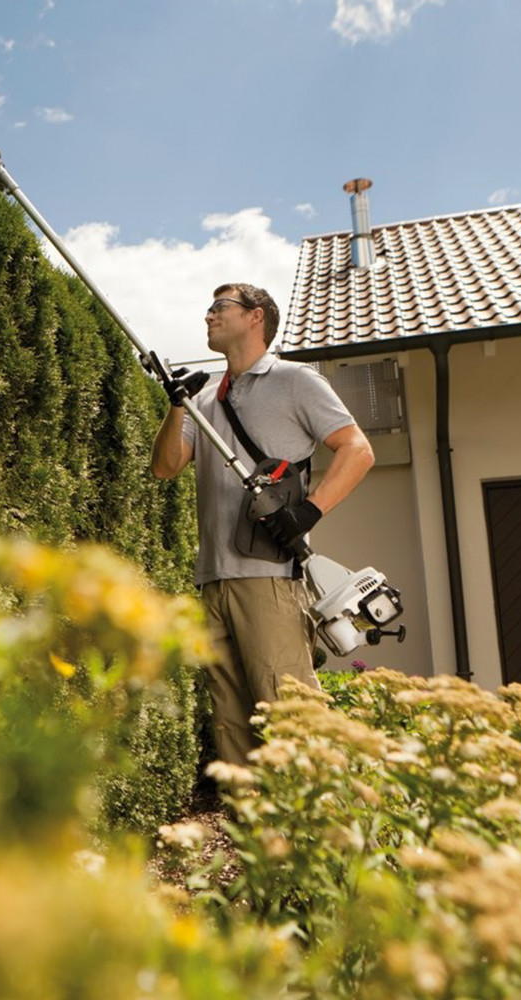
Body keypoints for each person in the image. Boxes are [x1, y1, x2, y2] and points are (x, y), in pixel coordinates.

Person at [151, 282, 374, 764]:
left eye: (220, 307)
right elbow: (165, 467)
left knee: (288, 713)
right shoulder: (202, 398)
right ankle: (251, 814)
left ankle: (316, 811)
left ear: (256, 317)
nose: (208, 315)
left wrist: (308, 511)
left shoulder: (294, 380)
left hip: (269, 577)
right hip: (213, 577)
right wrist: (175, 405)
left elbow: (358, 450)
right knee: (231, 724)